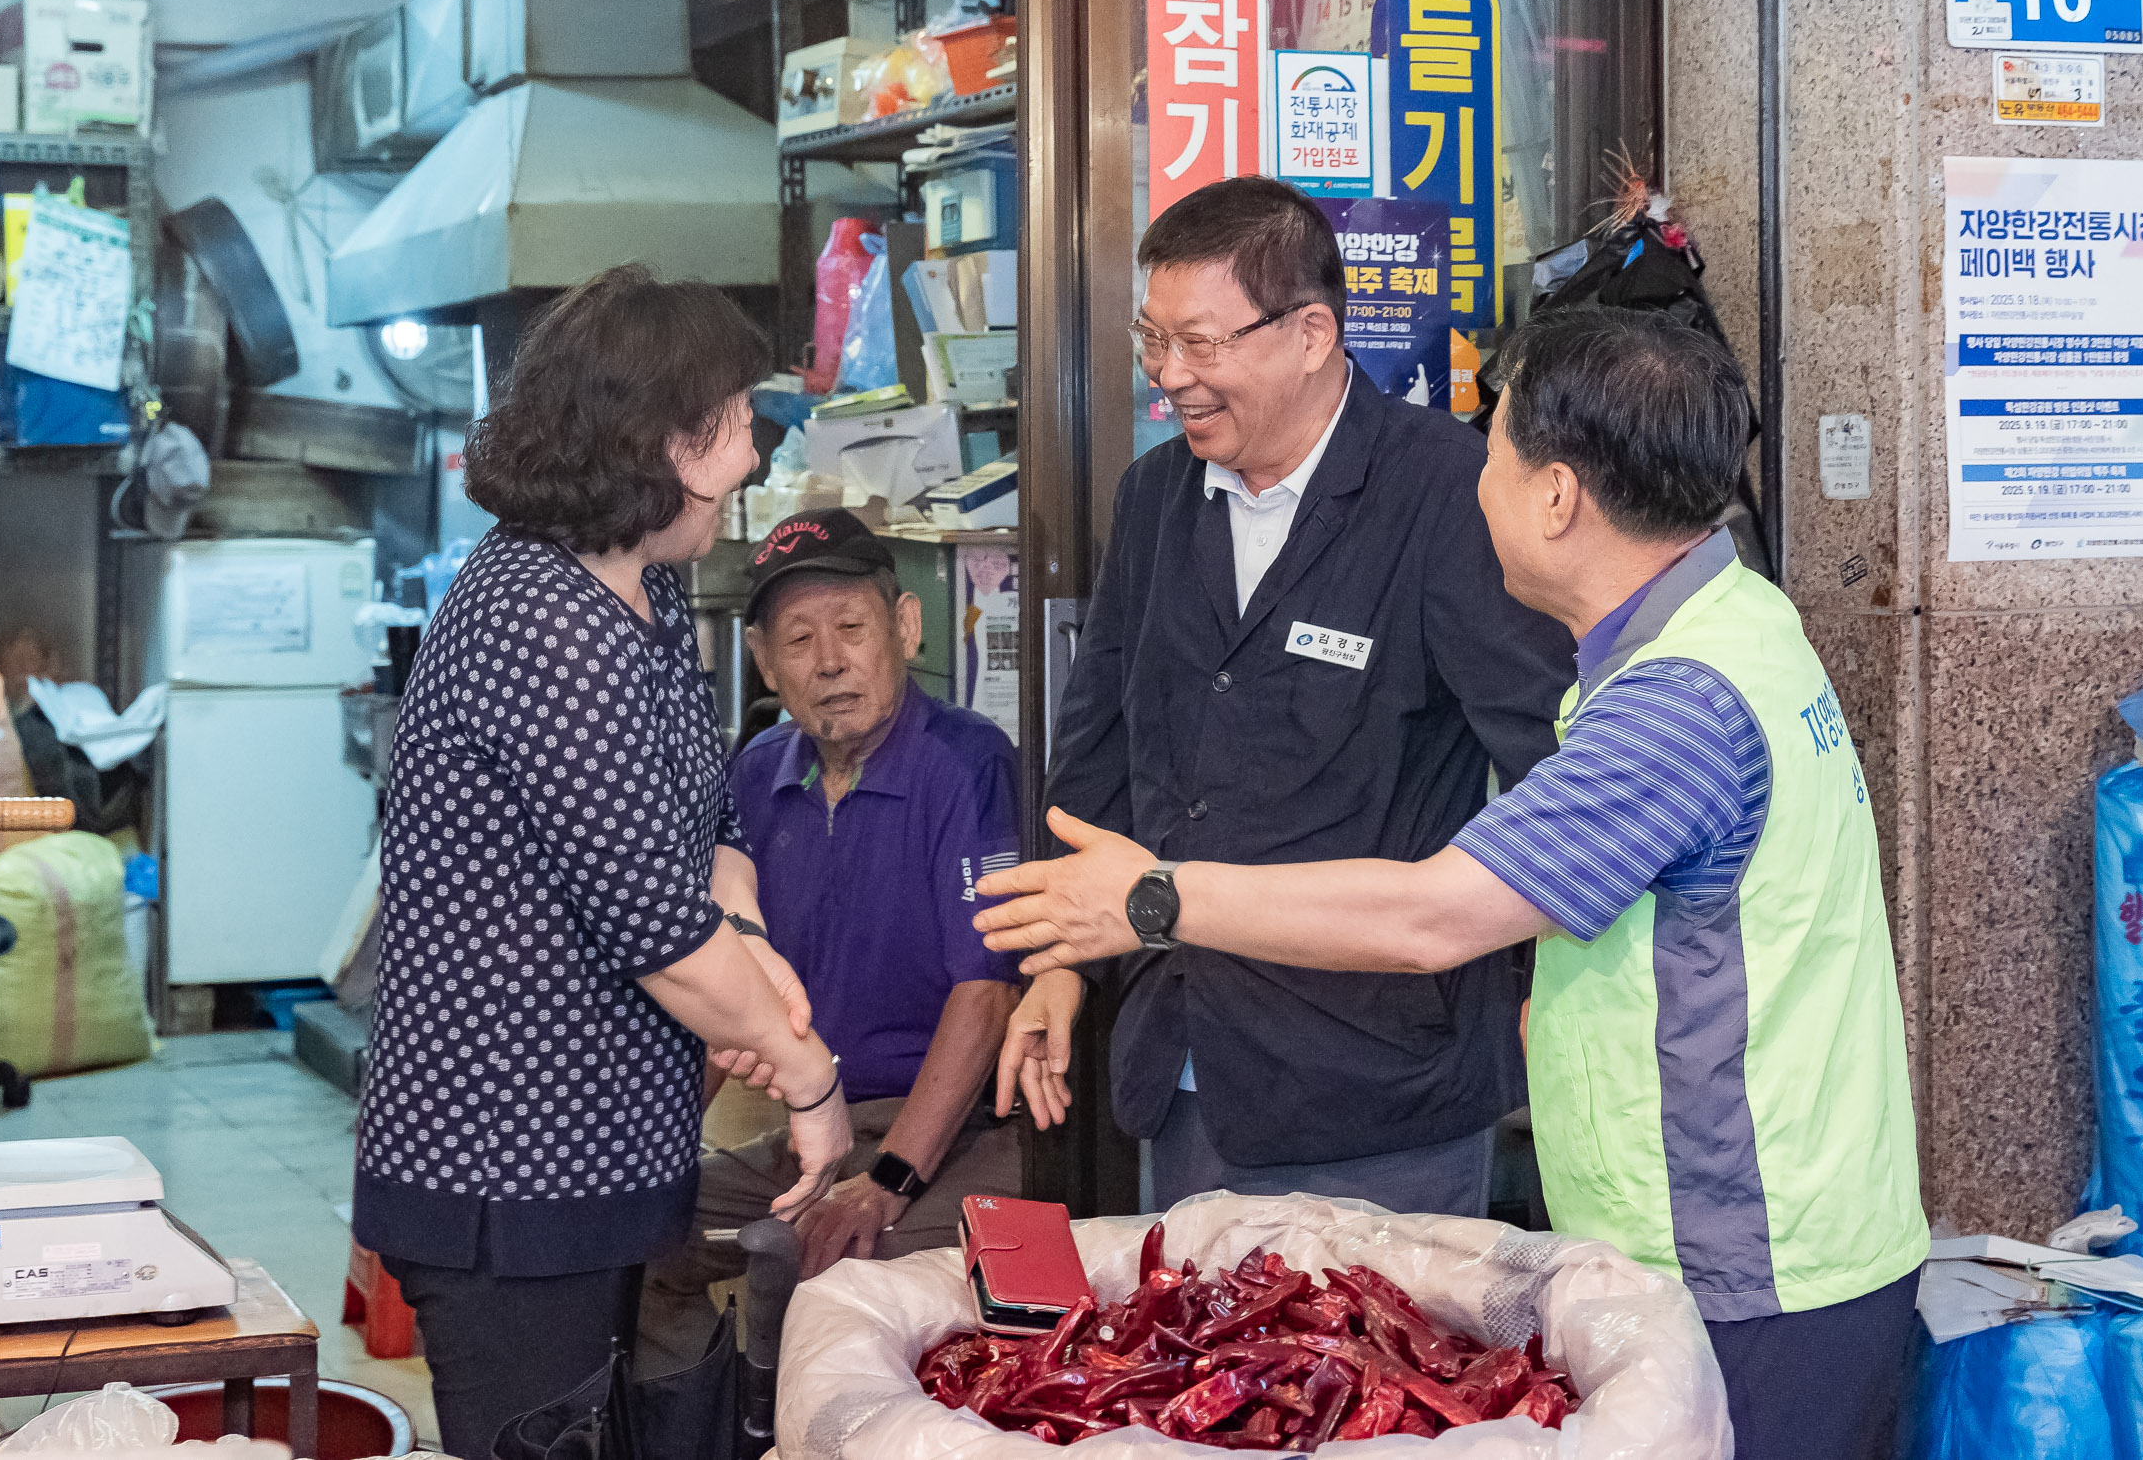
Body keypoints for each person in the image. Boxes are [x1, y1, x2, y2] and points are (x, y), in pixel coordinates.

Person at [974, 304, 1927, 1459]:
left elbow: (1436, 914)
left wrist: (1150, 898)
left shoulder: (1678, 703)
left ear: (1558, 495)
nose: (1476, 481)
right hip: (1760, 1235)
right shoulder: (1737, 618)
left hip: (1751, 1262)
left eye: (1496, 449)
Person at [1003, 175, 1577, 1215]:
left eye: (1202, 343)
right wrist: (1058, 966)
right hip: (1185, 1064)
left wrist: (1538, 990)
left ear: (1312, 333)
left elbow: (1553, 756)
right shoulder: (1155, 495)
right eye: (1151, 338)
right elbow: (1097, 746)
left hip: (1379, 1081)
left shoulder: (1443, 493)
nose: (1168, 375)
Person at [354, 267, 852, 1460]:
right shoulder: (543, 618)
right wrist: (806, 1074)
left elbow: (702, 824)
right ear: (666, 441)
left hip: (603, 1156)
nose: (751, 457)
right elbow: (649, 923)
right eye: (736, 423)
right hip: (508, 1172)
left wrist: (746, 936)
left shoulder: (643, 588)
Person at [635, 510, 1024, 1372]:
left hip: (964, 1130)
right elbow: (717, 975)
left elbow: (986, 990)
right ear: (767, 664)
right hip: (819, 1126)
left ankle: (790, 1433)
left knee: (797, 1255)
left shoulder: (968, 762)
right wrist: (647, 1149)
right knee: (640, 1229)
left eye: (852, 627)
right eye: (799, 640)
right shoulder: (758, 772)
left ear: (905, 627)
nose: (830, 660)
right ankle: (700, 1433)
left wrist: (888, 1181)